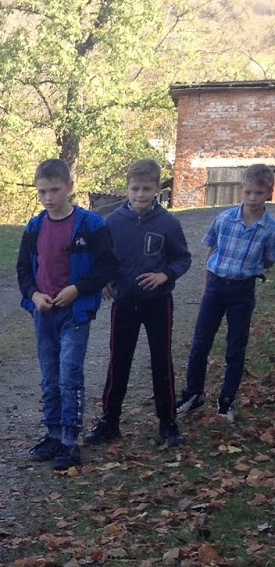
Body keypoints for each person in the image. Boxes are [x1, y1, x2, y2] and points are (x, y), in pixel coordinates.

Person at [17, 159, 118, 472]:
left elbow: (108, 266)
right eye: (42, 192)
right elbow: (23, 269)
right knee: (49, 376)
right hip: (44, 312)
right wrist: (34, 295)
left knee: (69, 376)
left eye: (55, 190)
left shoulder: (90, 224)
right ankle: (53, 434)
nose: (49, 198)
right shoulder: (35, 226)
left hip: (75, 312)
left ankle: (70, 440)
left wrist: (78, 289)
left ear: (70, 187)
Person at [84, 158, 191, 449]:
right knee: (118, 360)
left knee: (161, 360)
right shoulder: (113, 222)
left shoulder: (168, 223)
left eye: (146, 189)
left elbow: (182, 258)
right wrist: (104, 279)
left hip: (158, 303)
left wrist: (165, 275)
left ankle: (167, 422)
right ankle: (110, 421)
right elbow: (103, 258)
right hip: (124, 302)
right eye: (135, 189)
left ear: (157, 189)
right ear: (127, 189)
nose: (140, 195)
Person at [177, 162, 275, 424]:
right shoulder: (224, 218)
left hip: (242, 291)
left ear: (269, 192)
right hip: (216, 286)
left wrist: (250, 268)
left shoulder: (270, 229)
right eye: (248, 192)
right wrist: (206, 286)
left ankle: (226, 400)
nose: (252, 198)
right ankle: (194, 394)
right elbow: (211, 252)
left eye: (259, 193)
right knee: (200, 343)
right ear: (241, 190)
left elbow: (268, 259)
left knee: (235, 347)